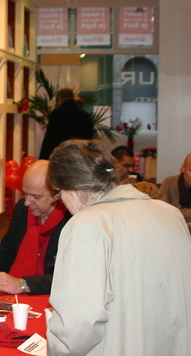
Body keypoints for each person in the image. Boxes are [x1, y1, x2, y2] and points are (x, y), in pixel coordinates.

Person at [47, 139, 191, 356]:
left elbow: (77, 327)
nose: (62, 204)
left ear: (76, 190)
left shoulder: (86, 224)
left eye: (59, 195)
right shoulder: (170, 213)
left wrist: (55, 348)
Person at [0, 160, 71, 295]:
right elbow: (5, 250)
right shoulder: (23, 210)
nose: (27, 202)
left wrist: (23, 284)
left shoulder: (71, 219)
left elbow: (71, 277)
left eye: (36, 197)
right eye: (25, 194)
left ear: (57, 194)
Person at [39, 87, 94, 160]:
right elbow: (89, 138)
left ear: (60, 99)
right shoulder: (85, 116)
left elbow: (50, 138)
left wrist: (44, 158)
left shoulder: (57, 114)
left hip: (61, 156)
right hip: (79, 156)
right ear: (73, 97)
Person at [159, 152, 191, 220]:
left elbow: (171, 211)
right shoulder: (169, 183)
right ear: (183, 168)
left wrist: (176, 212)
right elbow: (163, 210)